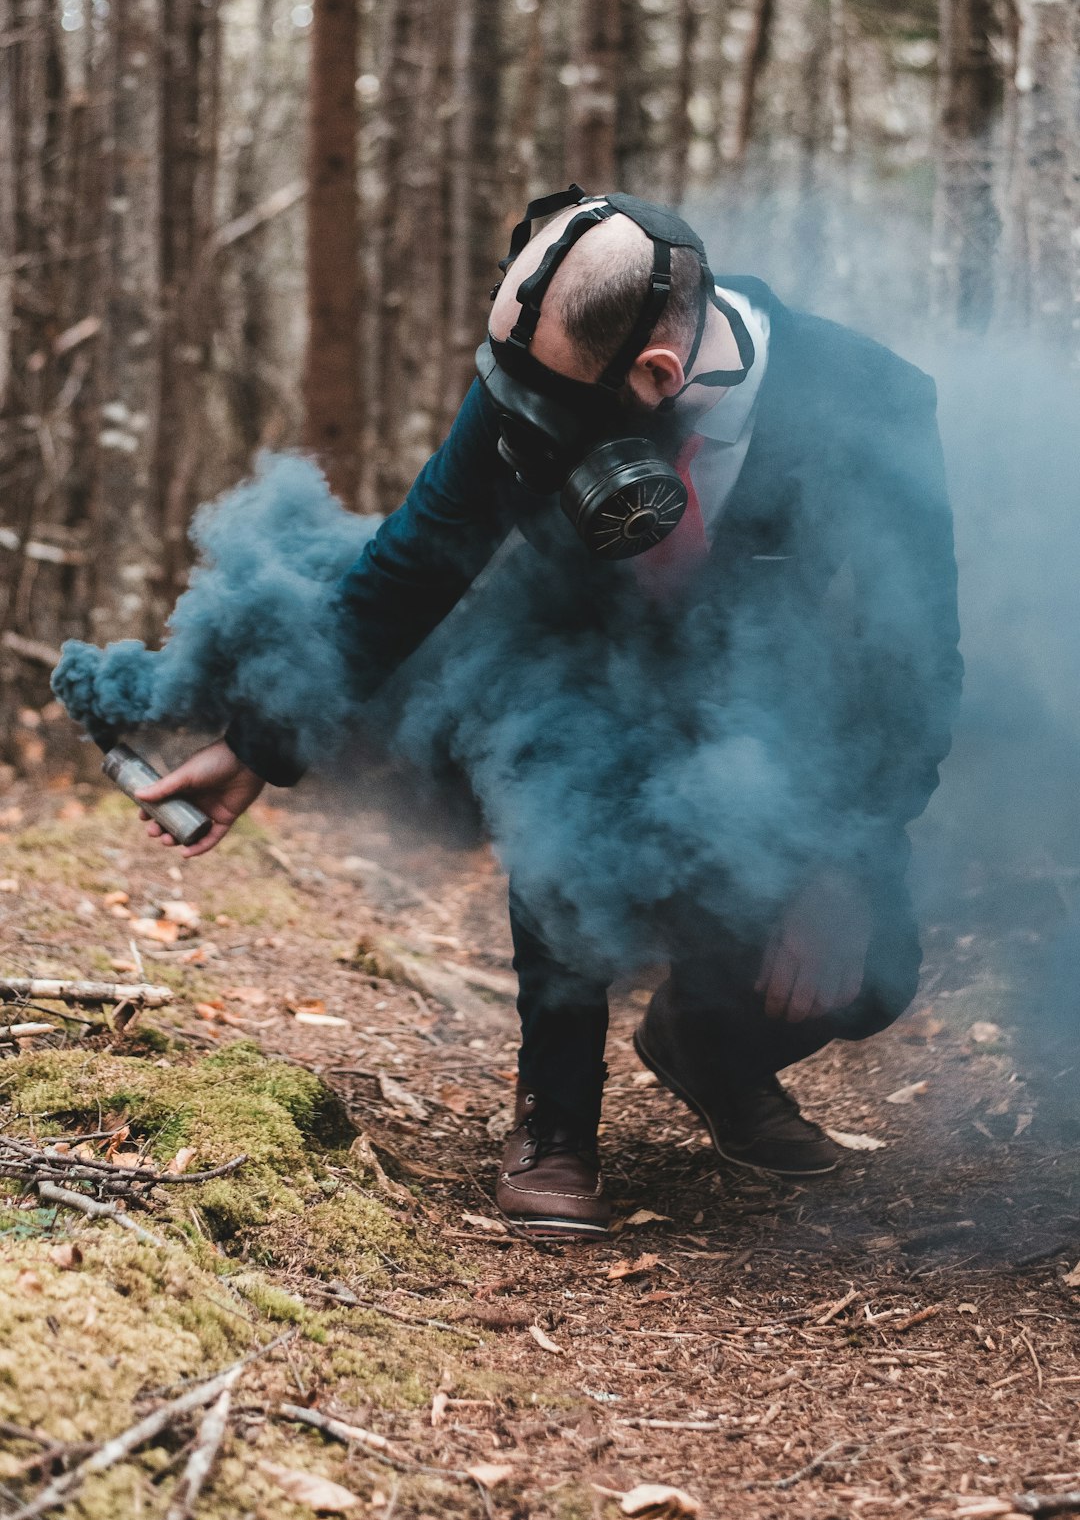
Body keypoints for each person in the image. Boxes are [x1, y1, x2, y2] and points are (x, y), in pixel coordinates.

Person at [135, 188, 962, 1240]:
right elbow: (408, 564)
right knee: (558, 752)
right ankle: (557, 1118)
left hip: (779, 721)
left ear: (658, 379)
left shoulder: (872, 406)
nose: (520, 426)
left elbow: (916, 659)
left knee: (872, 964)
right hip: (580, 675)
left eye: (556, 412)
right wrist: (256, 743)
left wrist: (845, 860)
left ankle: (712, 1048)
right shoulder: (544, 370)